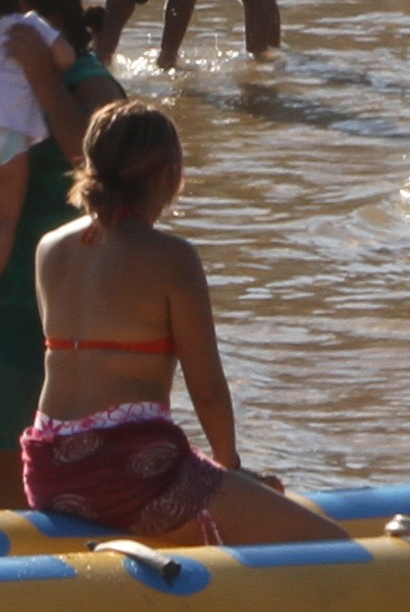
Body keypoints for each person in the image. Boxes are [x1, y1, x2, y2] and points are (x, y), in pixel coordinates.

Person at [21, 104, 341, 546]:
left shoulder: (49, 248)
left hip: (49, 469)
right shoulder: (172, 257)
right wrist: (230, 469)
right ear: (168, 175)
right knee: (332, 544)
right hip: (129, 475)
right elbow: (206, 387)